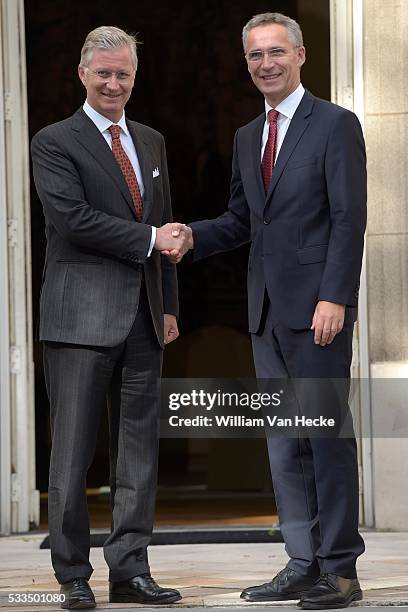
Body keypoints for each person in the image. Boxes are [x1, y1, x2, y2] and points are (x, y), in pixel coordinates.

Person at [167, 12, 367, 610]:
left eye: (277, 52)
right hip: (266, 316)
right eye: (255, 56)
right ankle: (301, 561)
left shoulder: (335, 125)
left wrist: (336, 296)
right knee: (284, 442)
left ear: (301, 55)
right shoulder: (247, 137)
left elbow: (347, 219)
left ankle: (341, 571)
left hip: (318, 313)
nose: (266, 64)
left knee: (325, 438)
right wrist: (190, 237)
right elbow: (241, 221)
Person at [31, 26, 190, 609]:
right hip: (79, 320)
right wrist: (151, 237)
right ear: (82, 74)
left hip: (145, 320)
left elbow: (167, 228)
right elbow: (74, 220)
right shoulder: (54, 141)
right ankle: (72, 575)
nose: (114, 82)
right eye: (104, 73)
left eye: (123, 73)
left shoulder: (149, 140)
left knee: (138, 455)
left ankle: (130, 571)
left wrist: (169, 305)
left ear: (134, 76)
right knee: (72, 454)